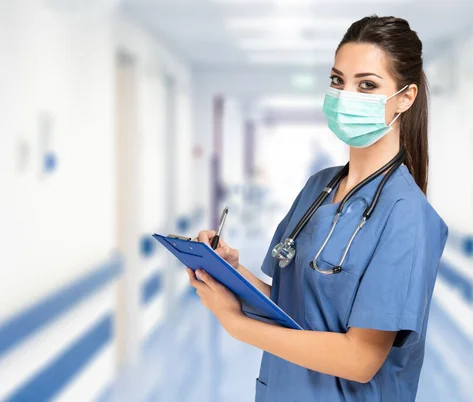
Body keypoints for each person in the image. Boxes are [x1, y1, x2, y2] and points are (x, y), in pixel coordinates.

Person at [186, 15, 448, 402]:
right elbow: (290, 309)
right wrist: (229, 271)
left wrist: (236, 324)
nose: (346, 96)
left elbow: (361, 359)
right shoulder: (318, 188)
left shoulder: (407, 214)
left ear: (405, 98)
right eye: (338, 81)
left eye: (367, 85)